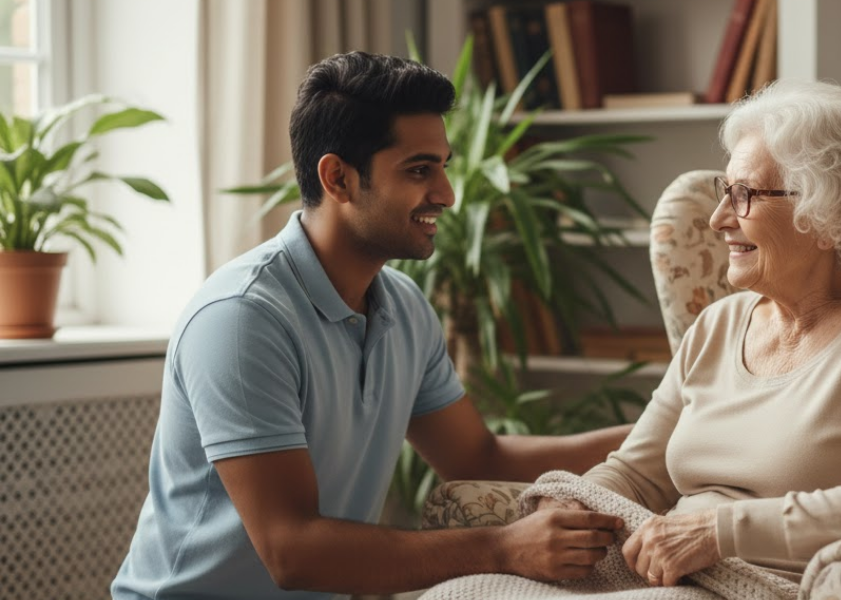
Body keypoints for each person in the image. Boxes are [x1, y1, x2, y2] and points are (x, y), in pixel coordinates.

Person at [112, 51, 631, 600]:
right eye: (418, 169)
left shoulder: (404, 306)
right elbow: (293, 550)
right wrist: (503, 545)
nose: (446, 194)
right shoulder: (241, 320)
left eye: (443, 166)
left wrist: (669, 432)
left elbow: (479, 458)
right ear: (337, 177)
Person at [538, 79, 841, 587]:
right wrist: (575, 504)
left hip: (766, 585)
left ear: (828, 214)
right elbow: (636, 474)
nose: (719, 218)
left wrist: (719, 531)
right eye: (726, 192)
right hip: (666, 579)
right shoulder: (717, 326)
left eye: (744, 195)